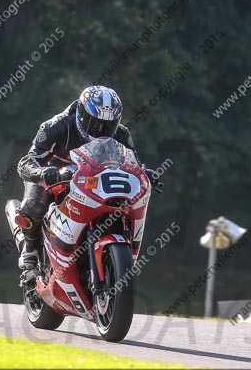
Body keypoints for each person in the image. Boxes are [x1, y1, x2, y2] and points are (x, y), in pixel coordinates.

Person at [15, 85, 161, 270]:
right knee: (33, 208)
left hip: (92, 179)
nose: (101, 130)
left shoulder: (122, 133)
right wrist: (42, 173)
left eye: (109, 125)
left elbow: (133, 163)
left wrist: (145, 173)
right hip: (54, 174)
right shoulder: (55, 127)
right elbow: (27, 161)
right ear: (81, 115)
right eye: (94, 123)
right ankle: (31, 245)